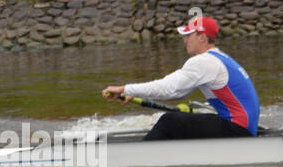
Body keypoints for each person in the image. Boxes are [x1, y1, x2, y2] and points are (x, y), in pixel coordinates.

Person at [102, 15, 261, 140]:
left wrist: (124, 88)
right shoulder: (219, 57)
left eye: (188, 35)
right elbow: (180, 92)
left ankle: (139, 159)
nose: (185, 40)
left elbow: (170, 90)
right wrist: (136, 93)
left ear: (202, 38)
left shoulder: (204, 61)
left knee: (169, 121)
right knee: (183, 119)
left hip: (237, 129)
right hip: (243, 127)